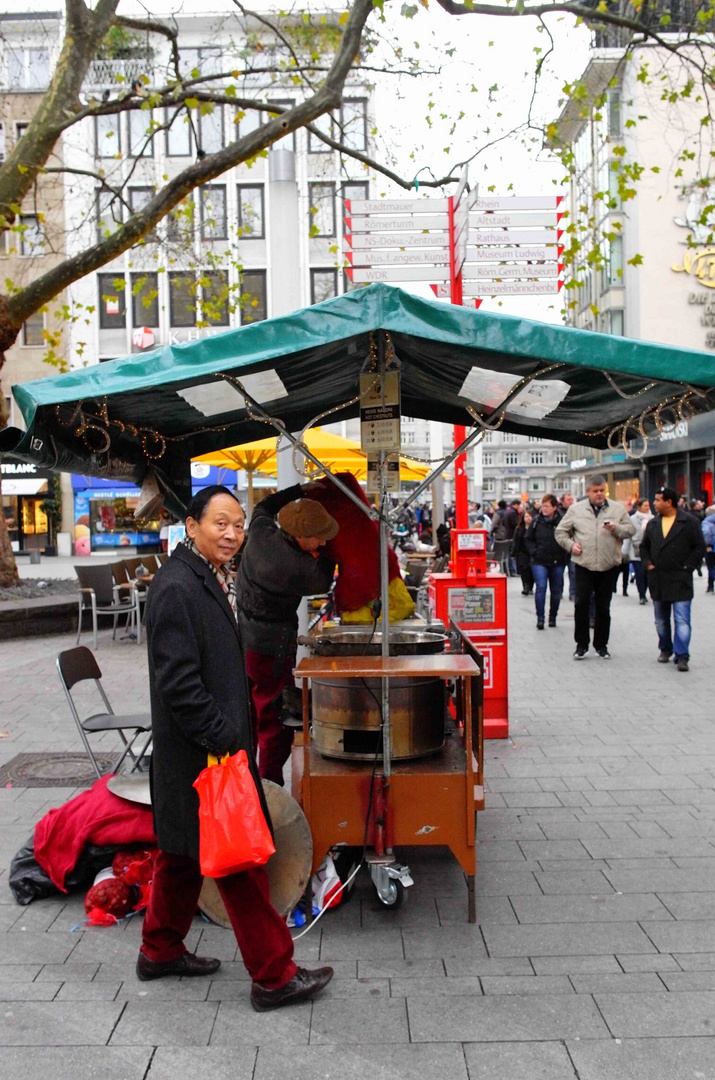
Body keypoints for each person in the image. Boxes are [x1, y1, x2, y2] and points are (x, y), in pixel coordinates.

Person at [139, 485, 333, 1009]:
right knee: (236, 865)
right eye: (219, 523)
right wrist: (224, 736)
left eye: (238, 524)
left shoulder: (202, 576)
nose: (231, 534)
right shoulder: (177, 588)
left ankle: (159, 950)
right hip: (203, 759)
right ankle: (274, 975)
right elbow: (178, 684)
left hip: (202, 755)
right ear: (191, 525)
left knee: (182, 856)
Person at [236, 485, 338, 785]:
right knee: (273, 724)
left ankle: (245, 783)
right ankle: (270, 791)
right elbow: (324, 578)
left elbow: (265, 504)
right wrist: (333, 550)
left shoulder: (260, 530)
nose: (322, 540)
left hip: (243, 639)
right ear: (300, 537)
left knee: (249, 717)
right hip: (271, 651)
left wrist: (301, 490)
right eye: (319, 536)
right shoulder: (298, 567)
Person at [555, 474, 635, 659]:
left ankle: (601, 645)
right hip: (584, 563)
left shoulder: (617, 508)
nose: (599, 494)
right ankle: (581, 644)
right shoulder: (576, 510)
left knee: (603, 607)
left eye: (602, 490)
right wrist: (570, 545)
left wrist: (616, 528)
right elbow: (560, 532)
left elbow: (630, 530)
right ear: (588, 491)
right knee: (581, 604)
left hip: (608, 565)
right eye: (595, 491)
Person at [640, 486, 706, 672]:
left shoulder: (689, 522)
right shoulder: (653, 523)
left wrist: (688, 567)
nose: (654, 503)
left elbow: (699, 546)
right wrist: (648, 564)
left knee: (682, 619)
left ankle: (682, 655)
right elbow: (644, 547)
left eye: (658, 500)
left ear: (669, 502)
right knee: (661, 619)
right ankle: (665, 648)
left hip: (680, 578)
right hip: (658, 578)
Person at [525, 494, 569, 630]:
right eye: (543, 506)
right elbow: (528, 539)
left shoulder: (562, 521)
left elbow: (568, 537)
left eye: (547, 506)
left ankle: (552, 617)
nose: (544, 509)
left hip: (558, 561)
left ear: (554, 507)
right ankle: (540, 618)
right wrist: (534, 552)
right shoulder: (537, 521)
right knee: (541, 587)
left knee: (556, 591)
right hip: (539, 561)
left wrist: (565, 553)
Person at [630, 497, 653, 604]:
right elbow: (628, 535)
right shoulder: (632, 519)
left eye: (648, 505)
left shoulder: (653, 518)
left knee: (648, 575)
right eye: (645, 505)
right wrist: (624, 552)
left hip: (649, 550)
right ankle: (642, 595)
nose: (647, 507)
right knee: (639, 574)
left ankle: (645, 590)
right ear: (639, 507)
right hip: (636, 550)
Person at [512, 509, 534, 596]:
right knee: (524, 570)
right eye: (526, 516)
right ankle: (525, 586)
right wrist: (513, 552)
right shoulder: (519, 529)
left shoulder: (534, 528)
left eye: (529, 516)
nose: (528, 518)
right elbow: (515, 541)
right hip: (522, 552)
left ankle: (530, 586)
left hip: (532, 552)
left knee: (531, 570)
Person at [702, 505, 715, 594]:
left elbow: (706, 533)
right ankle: (710, 586)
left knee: (710, 566)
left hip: (711, 547)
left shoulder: (706, 522)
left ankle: (710, 585)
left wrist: (708, 545)